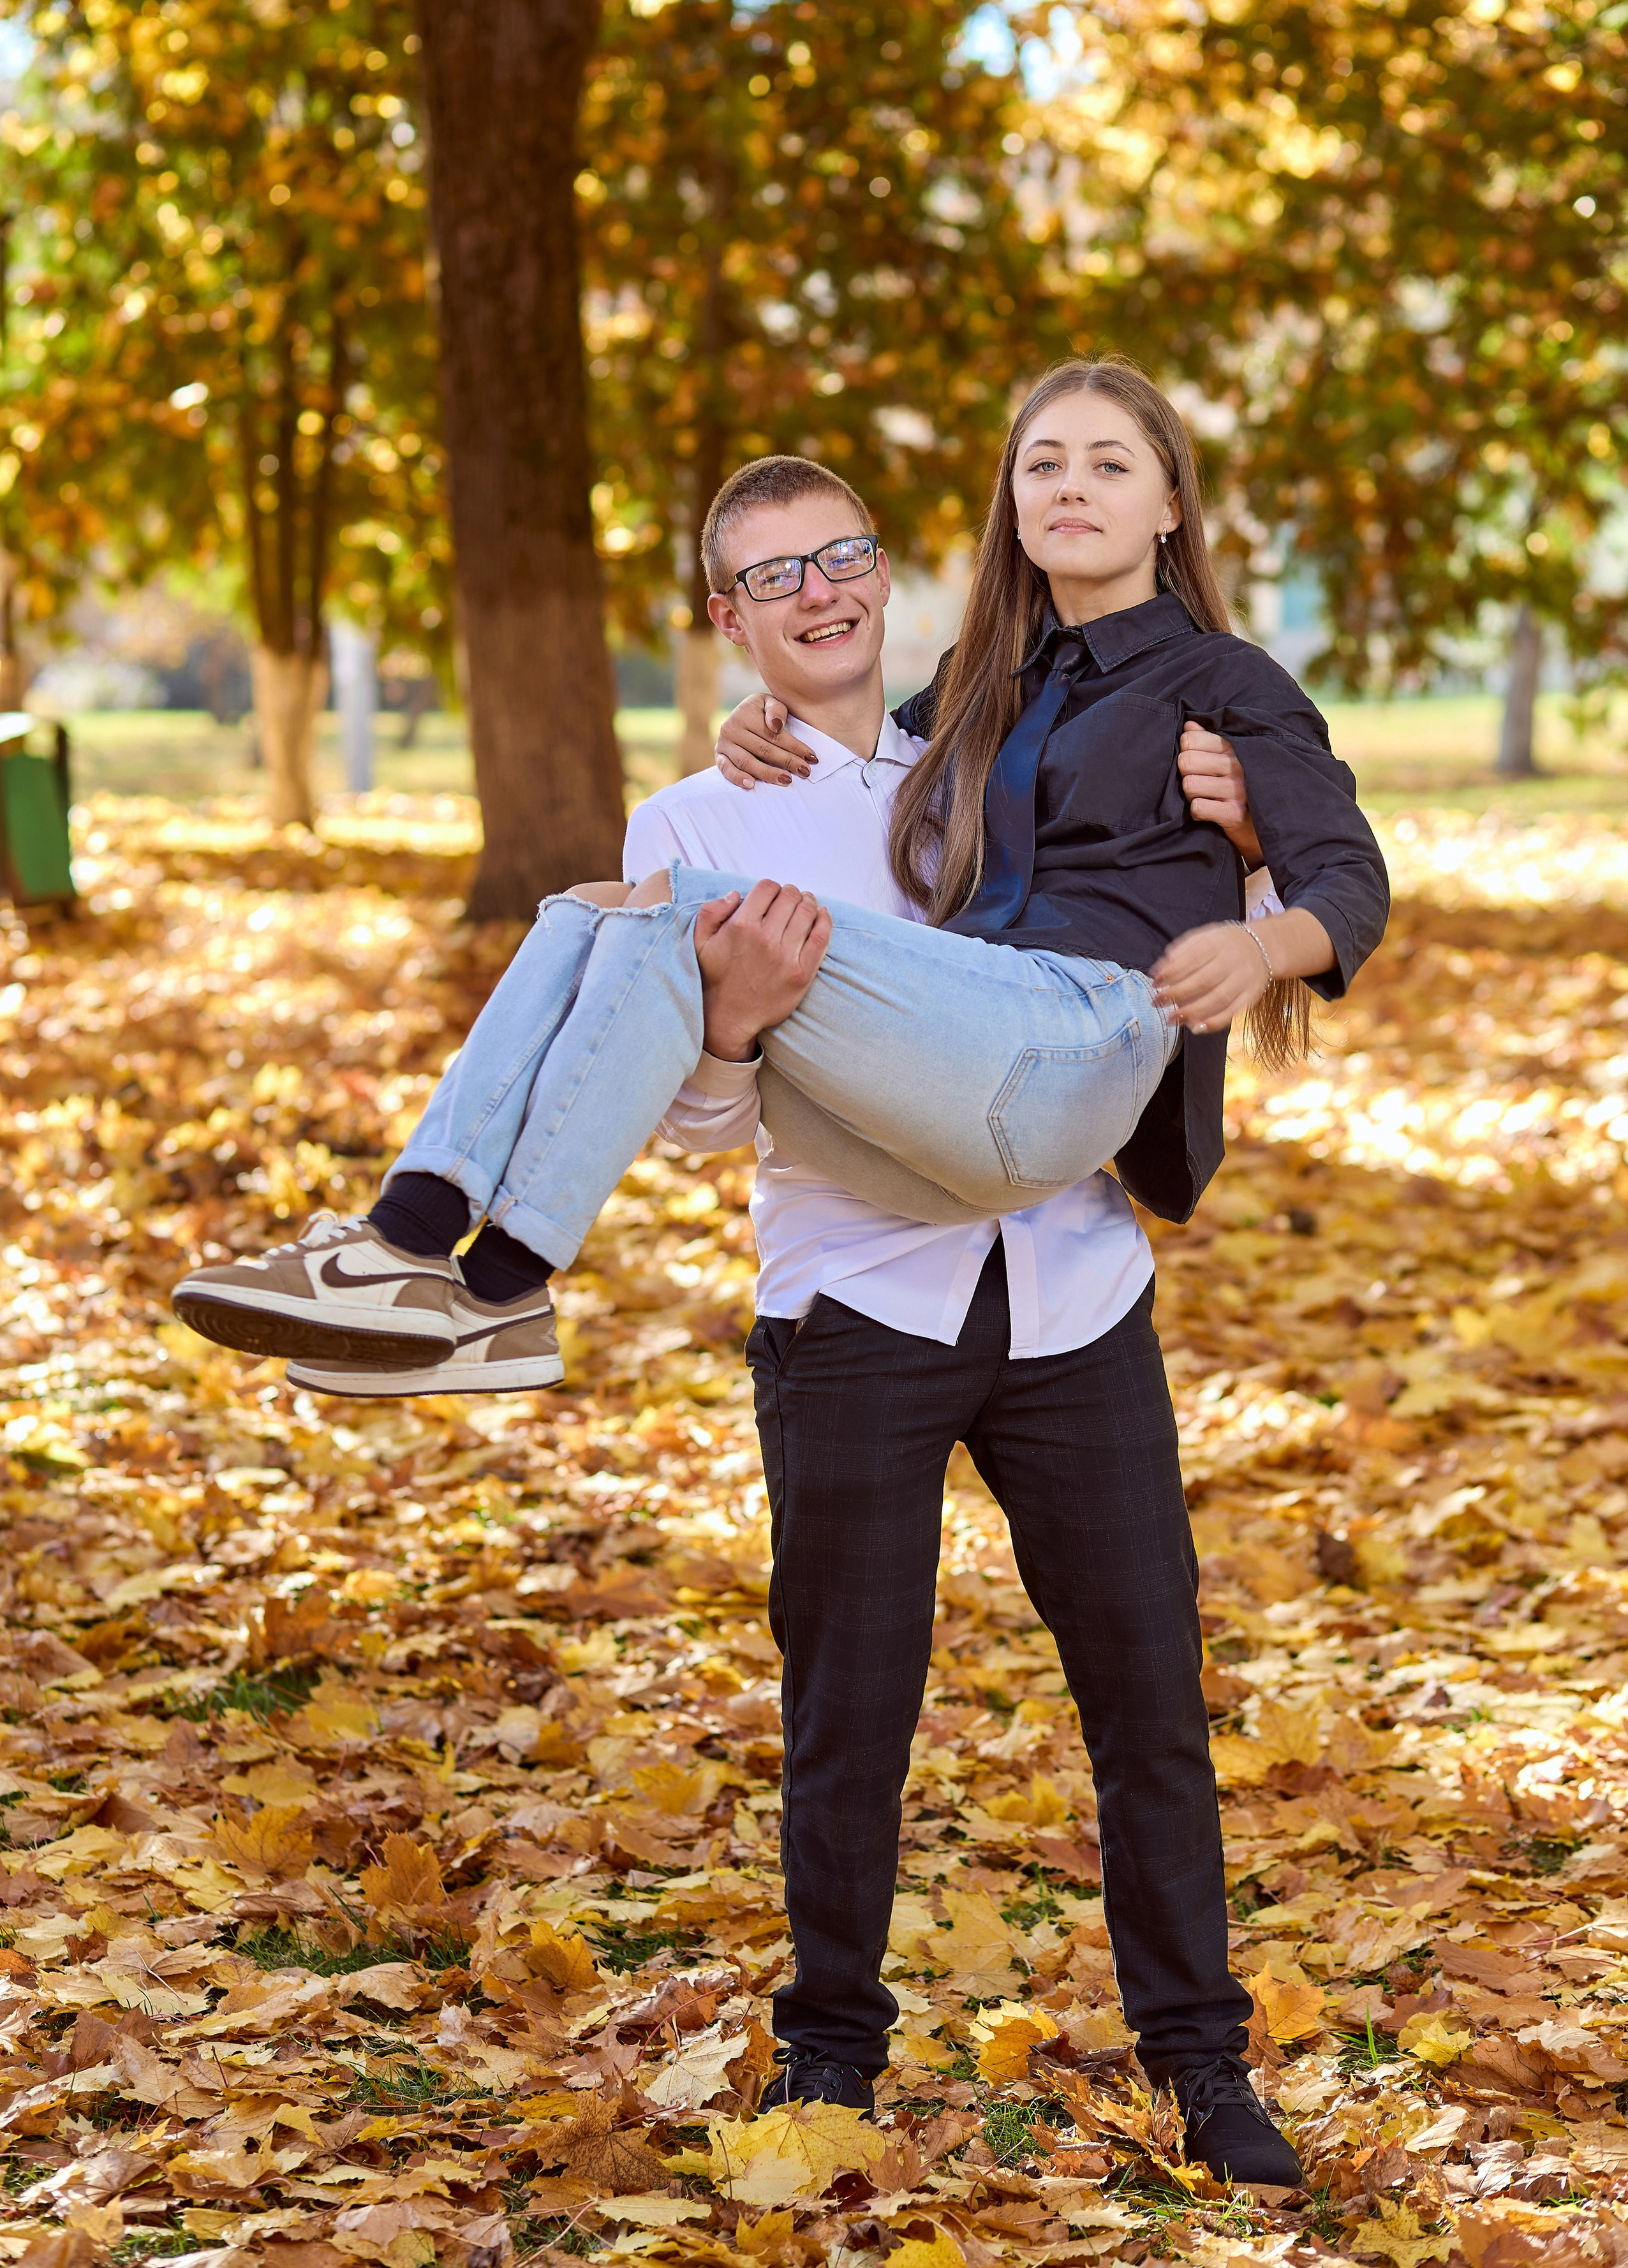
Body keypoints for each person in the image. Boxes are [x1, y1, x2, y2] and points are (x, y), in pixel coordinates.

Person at [172, 357, 1388, 2186]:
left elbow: (1190, 837)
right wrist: (731, 1026)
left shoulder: (979, 739)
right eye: (771, 577)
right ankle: (830, 2063)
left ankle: (1205, 2067)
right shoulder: (700, 822)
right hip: (856, 1308)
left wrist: (1247, 847)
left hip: (1064, 1283)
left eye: (841, 559)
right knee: (849, 1711)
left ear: (888, 574)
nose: (816, 594)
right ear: (723, 621)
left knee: (1147, 1691)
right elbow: (704, 1131)